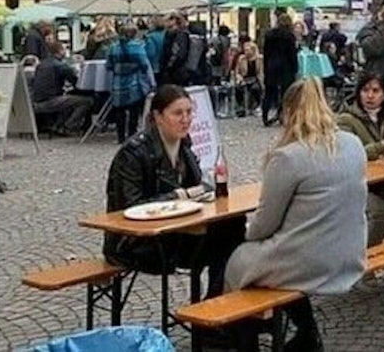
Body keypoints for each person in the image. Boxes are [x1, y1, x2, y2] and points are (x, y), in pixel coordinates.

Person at [225, 78, 367, 351]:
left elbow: (264, 225)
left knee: (237, 261)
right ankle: (305, 331)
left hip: (310, 260)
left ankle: (244, 340)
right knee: (275, 265)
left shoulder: (289, 157)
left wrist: (245, 232)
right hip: (349, 252)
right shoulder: (352, 144)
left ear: (289, 111)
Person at [104, 85, 245, 297]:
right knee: (226, 239)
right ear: (158, 116)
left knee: (233, 226)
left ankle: (216, 307)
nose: (186, 119)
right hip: (136, 244)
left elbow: (198, 186)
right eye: (178, 113)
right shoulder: (133, 153)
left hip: (174, 232)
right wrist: (182, 195)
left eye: (189, 112)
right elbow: (130, 209)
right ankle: (212, 311)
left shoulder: (184, 145)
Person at [336, 73, 384, 247]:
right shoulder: (346, 120)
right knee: (382, 212)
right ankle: (364, 261)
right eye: (365, 90)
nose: (370, 95)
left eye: (375, 90)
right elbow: (349, 155)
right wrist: (382, 146)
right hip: (357, 183)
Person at [106, 23, 156, 144]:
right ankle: (132, 135)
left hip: (118, 82)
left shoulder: (113, 47)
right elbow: (144, 64)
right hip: (134, 81)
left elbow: (109, 65)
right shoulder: (137, 47)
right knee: (134, 110)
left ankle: (120, 137)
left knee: (119, 111)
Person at [31, 41, 95, 135]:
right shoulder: (60, 65)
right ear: (60, 51)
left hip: (37, 100)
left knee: (70, 100)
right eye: (64, 49)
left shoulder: (41, 64)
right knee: (87, 101)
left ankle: (59, 125)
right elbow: (76, 82)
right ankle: (68, 126)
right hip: (51, 100)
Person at [262, 13, 299, 126]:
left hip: (271, 65)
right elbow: (292, 54)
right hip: (285, 66)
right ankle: (281, 114)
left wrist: (265, 67)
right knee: (286, 93)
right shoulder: (289, 36)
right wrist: (295, 67)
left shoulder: (269, 35)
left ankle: (265, 115)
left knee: (269, 92)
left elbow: (266, 52)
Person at [160, 13, 191, 86]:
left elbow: (179, 54)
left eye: (170, 26)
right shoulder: (175, 34)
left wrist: (169, 66)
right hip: (176, 71)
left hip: (177, 72)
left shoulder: (180, 35)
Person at [234, 41, 263, 115]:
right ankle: (241, 107)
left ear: (253, 50)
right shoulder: (241, 58)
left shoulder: (259, 59)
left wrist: (261, 81)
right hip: (244, 78)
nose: (245, 51)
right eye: (245, 50)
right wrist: (239, 78)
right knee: (238, 88)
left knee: (255, 88)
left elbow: (261, 72)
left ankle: (255, 106)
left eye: (247, 50)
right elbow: (237, 72)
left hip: (255, 78)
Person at [144, 16, 167, 84]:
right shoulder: (167, 35)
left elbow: (150, 53)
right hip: (165, 67)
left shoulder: (150, 37)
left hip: (154, 68)